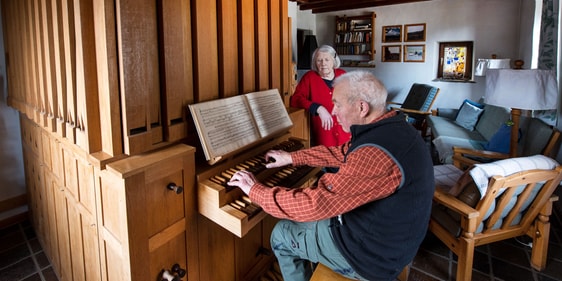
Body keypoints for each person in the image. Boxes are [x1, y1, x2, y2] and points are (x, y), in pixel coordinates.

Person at [228, 71, 435, 281]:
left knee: (281, 233)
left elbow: (313, 205)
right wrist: (291, 158)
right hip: (390, 237)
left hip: (370, 257)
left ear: (362, 107)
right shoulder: (393, 127)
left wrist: (255, 190)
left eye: (337, 104)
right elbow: (340, 152)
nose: (333, 111)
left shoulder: (374, 155)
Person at [291, 45, 351, 147]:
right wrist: (318, 108)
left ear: (334, 60)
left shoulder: (343, 75)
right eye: (319, 60)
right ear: (315, 62)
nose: (323, 64)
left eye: (327, 60)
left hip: (346, 135)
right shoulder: (309, 77)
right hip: (324, 137)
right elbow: (295, 99)